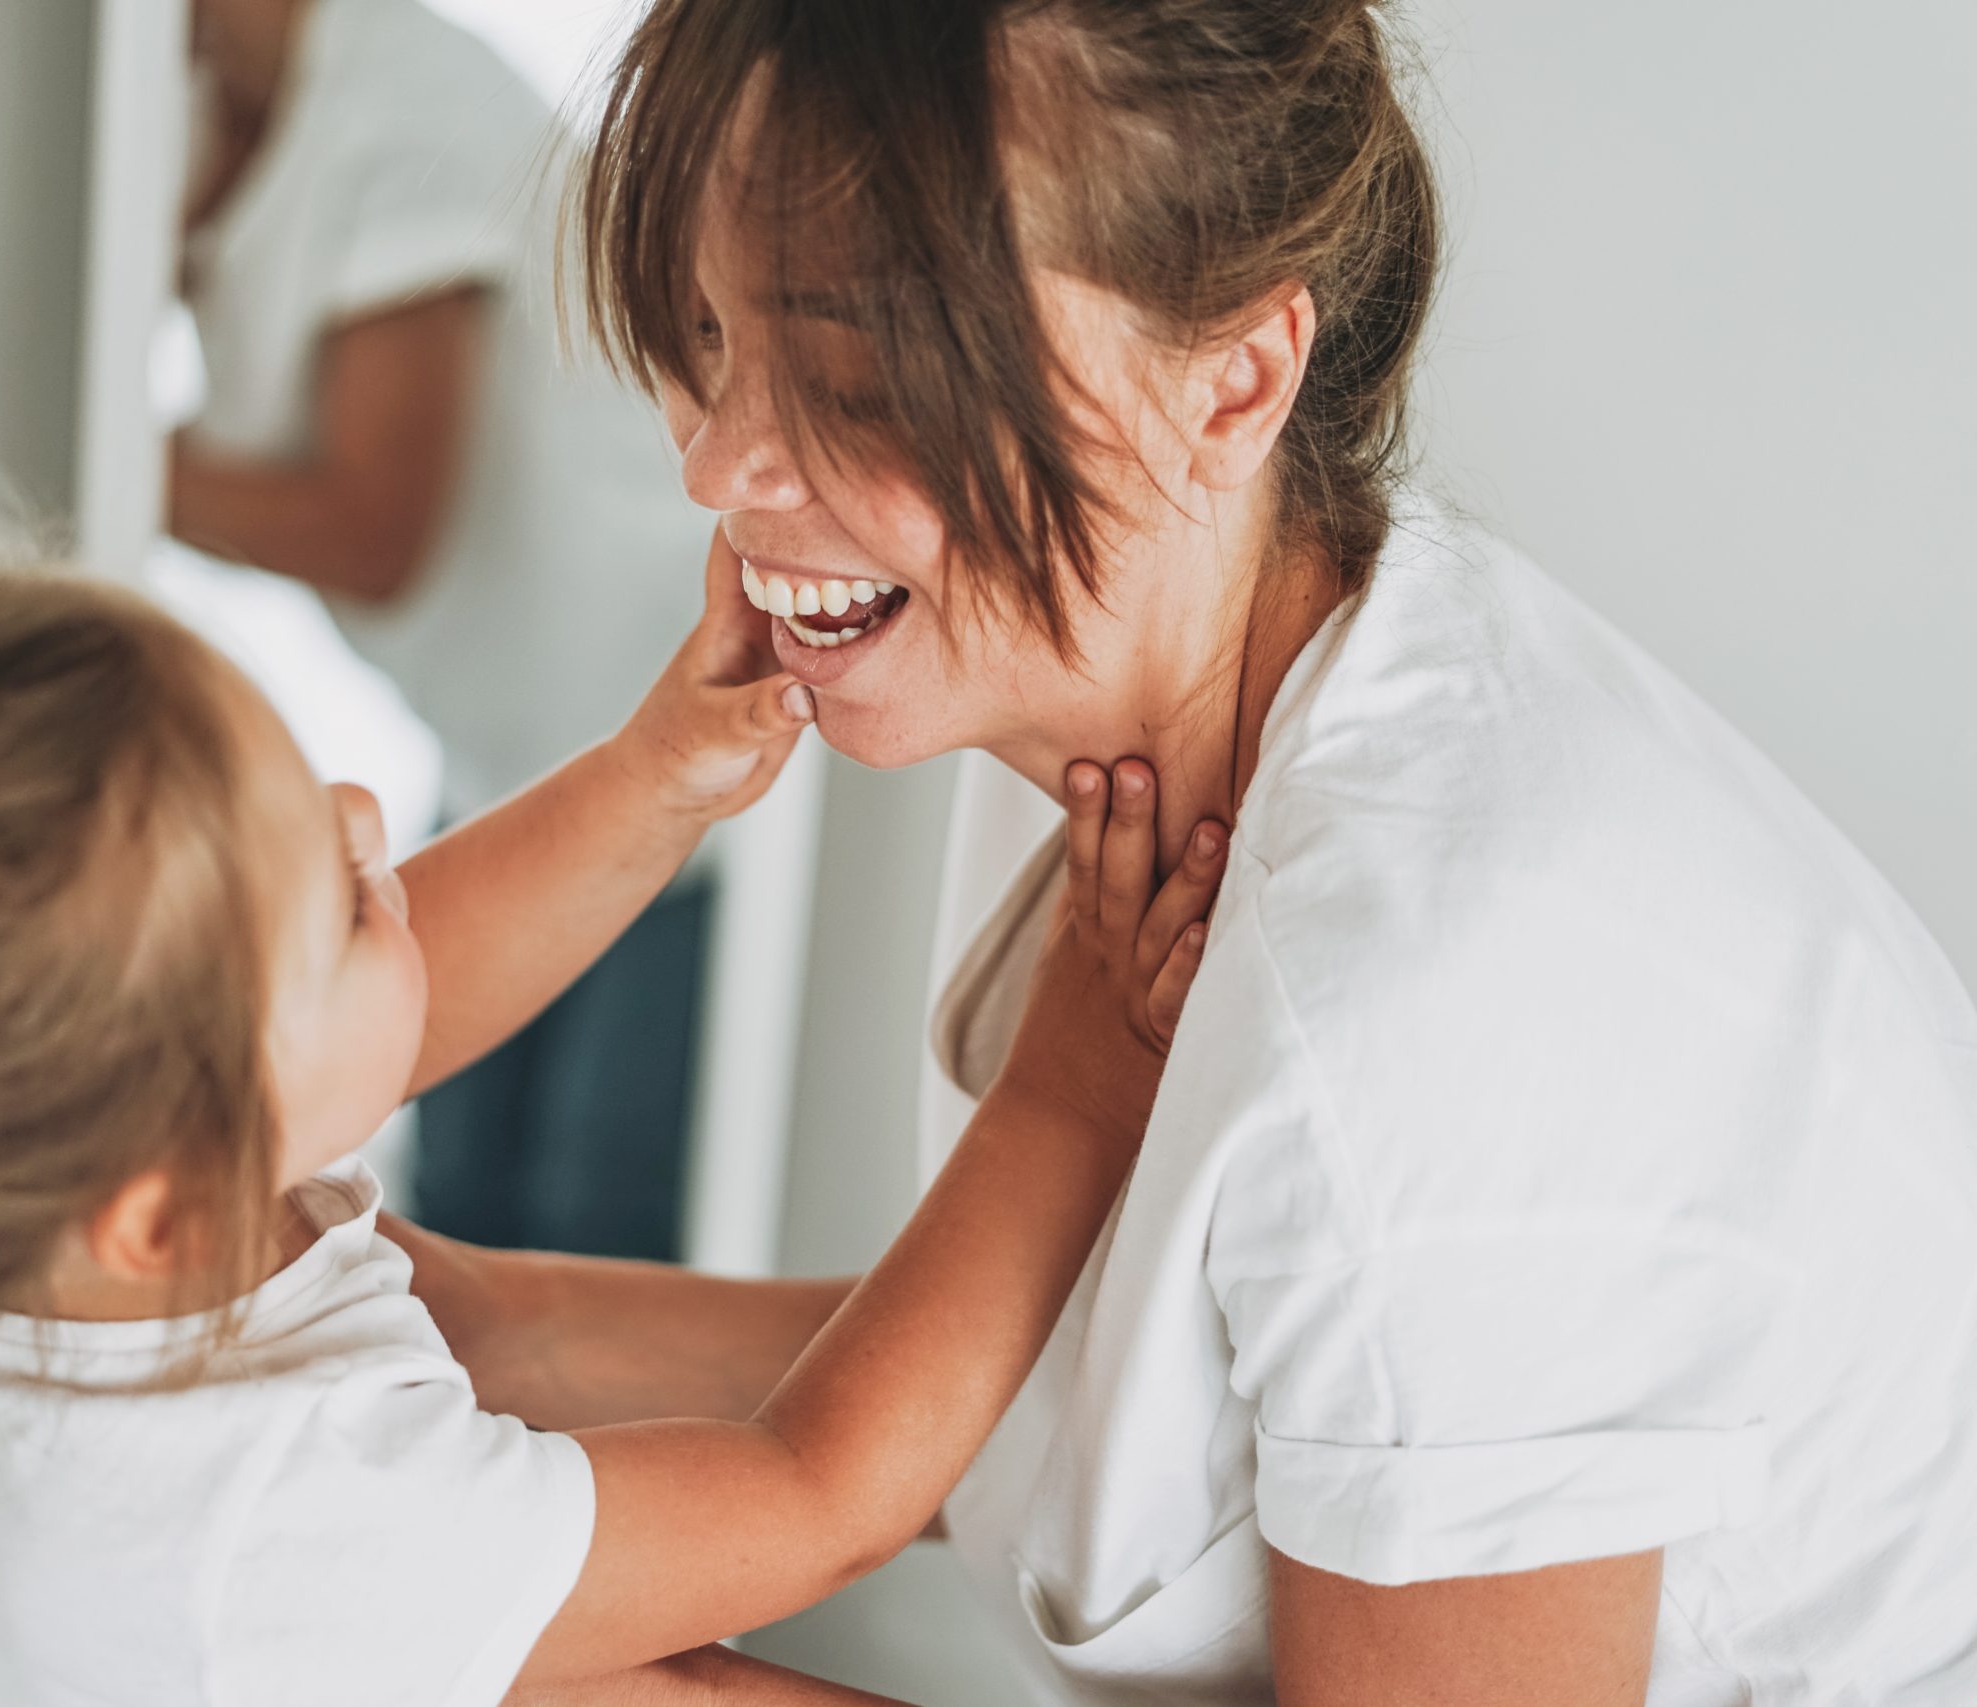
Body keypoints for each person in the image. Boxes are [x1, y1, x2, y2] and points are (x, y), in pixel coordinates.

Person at [400, 1, 1977, 1702]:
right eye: (708, 333)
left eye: (856, 376)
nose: (720, 460)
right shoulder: (1119, 684)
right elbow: (1146, 1396)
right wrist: (455, 1321)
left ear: (1232, 383)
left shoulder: (1438, 1002)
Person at [0, 531, 1225, 1705]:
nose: (370, 809)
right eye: (333, 889)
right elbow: (810, 1493)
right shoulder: (242, 1539)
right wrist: (1068, 1081)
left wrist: (650, 775)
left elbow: (420, 1008)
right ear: (156, 1196)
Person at [168, 0, 717, 1260]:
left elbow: (376, 526)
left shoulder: (395, 104)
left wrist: (107, 458)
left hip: (665, 741)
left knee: (587, 1219)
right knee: (455, 1201)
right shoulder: (212, 115)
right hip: (511, 754)